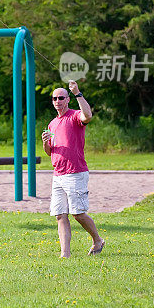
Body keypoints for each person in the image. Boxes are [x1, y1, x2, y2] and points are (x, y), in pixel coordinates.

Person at [41, 80, 105, 258]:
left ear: (67, 99)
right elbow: (49, 152)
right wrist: (45, 143)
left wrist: (78, 92)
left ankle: (97, 240)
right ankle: (65, 254)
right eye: (54, 98)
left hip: (75, 172)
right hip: (58, 174)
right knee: (60, 215)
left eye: (61, 97)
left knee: (78, 214)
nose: (57, 101)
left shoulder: (75, 116)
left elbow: (88, 115)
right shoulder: (52, 123)